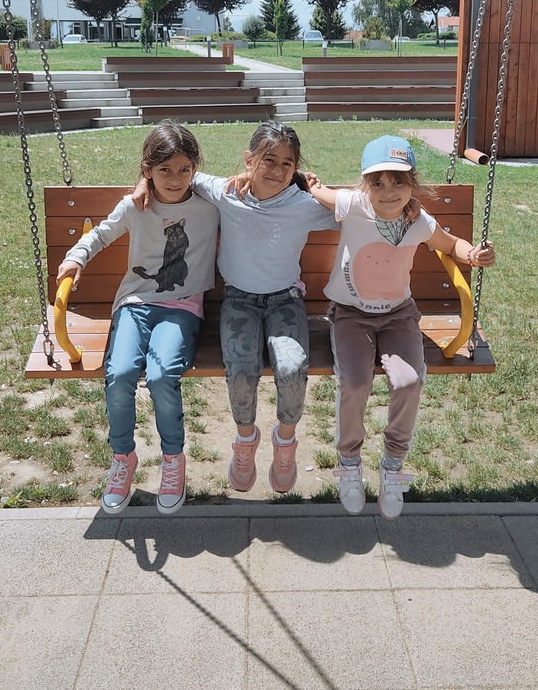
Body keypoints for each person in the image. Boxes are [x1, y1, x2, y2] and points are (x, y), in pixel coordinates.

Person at [137, 120, 338, 495]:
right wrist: (141, 184)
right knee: (242, 369)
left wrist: (314, 186)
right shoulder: (226, 192)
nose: (277, 171)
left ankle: (285, 443)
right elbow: (180, 174)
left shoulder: (303, 205)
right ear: (249, 160)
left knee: (292, 367)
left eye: (287, 164)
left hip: (285, 299)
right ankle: (245, 441)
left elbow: (359, 210)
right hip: (239, 300)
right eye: (268, 160)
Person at [307, 135, 496, 520]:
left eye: (398, 181)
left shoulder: (418, 221)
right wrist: (310, 183)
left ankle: (393, 463)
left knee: (409, 381)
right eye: (377, 182)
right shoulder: (353, 205)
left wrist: (474, 255)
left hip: (398, 315)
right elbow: (318, 191)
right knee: (354, 382)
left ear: (412, 183)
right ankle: (349, 461)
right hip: (350, 315)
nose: (388, 192)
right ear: (365, 185)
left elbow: (450, 244)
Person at [57, 121, 219, 515]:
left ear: (195, 167)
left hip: (182, 307)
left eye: (184, 169)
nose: (175, 179)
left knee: (162, 375)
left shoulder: (211, 205)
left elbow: (245, 190)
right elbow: (100, 234)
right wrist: (76, 258)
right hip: (135, 304)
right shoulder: (135, 206)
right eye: (164, 170)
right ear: (147, 169)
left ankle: (172, 460)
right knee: (120, 372)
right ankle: (122, 458)